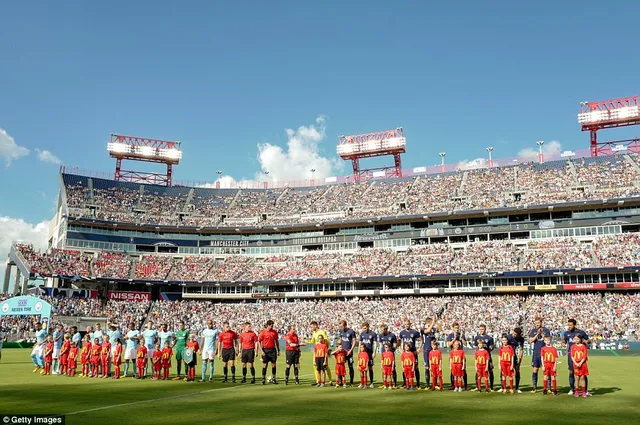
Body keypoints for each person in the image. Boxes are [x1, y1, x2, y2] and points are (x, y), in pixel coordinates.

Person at [563, 318, 590, 396]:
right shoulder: (566, 333)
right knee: (571, 372)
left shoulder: (581, 332)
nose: (569, 326)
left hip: (581, 356)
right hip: (571, 355)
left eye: (570, 325)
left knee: (583, 374)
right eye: (568, 325)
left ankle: (585, 390)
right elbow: (564, 341)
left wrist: (586, 341)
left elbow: (588, 340)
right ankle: (572, 389)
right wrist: (563, 343)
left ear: (574, 325)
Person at [306, 321, 333, 386]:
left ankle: (330, 381)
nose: (311, 328)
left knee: (325, 366)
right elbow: (312, 341)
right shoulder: (314, 333)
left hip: (322, 351)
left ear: (315, 326)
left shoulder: (322, 332)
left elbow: (327, 341)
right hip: (317, 351)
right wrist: (305, 341)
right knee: (315, 366)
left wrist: (326, 350)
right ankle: (318, 380)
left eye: (312, 327)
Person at [528, 318, 551, 393]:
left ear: (541, 323)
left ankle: (549, 387)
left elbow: (548, 340)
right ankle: (534, 387)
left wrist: (541, 334)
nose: (537, 324)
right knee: (535, 369)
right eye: (536, 323)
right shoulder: (533, 331)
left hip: (545, 353)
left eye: (538, 323)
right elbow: (530, 341)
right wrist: (537, 334)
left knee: (546, 370)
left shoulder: (546, 330)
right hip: (536, 353)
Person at [399, 320, 421, 388]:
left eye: (407, 324)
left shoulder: (414, 332)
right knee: (405, 368)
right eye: (405, 324)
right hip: (405, 354)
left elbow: (421, 340)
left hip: (413, 353)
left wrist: (419, 348)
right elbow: (399, 341)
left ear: (410, 324)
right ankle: (405, 383)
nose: (406, 325)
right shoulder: (402, 333)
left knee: (416, 368)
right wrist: (400, 348)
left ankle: (417, 383)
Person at [473, 324, 495, 391]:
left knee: (490, 371)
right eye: (480, 329)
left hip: (487, 357)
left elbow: (492, 346)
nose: (481, 330)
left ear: (485, 329)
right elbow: (476, 347)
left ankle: (491, 386)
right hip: (480, 358)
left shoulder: (489, 338)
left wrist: (489, 351)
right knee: (478, 372)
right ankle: (477, 386)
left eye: (482, 329)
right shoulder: (477, 337)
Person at [447, 322, 468, 390]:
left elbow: (465, 343)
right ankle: (453, 385)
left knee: (463, 370)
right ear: (453, 328)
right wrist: (454, 339)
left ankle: (465, 385)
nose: (457, 329)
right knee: (453, 371)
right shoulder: (450, 335)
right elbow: (448, 344)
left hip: (460, 355)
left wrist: (461, 338)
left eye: (458, 328)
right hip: (453, 355)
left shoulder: (461, 335)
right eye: (455, 328)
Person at [258, 320, 280, 385]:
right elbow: (259, 342)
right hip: (265, 350)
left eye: (273, 325)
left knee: (273, 364)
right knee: (265, 365)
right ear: (268, 325)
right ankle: (263, 379)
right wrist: (261, 351)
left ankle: (274, 378)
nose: (272, 327)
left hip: (273, 350)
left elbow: (276, 341)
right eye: (271, 325)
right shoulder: (263, 332)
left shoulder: (274, 332)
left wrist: (278, 350)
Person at [378, 324, 398, 388]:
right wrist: (383, 352)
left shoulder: (392, 335)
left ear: (386, 329)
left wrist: (391, 352)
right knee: (384, 369)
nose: (381, 331)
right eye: (380, 330)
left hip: (390, 354)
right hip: (384, 355)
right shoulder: (380, 335)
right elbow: (381, 345)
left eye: (382, 330)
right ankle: (385, 384)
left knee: (393, 369)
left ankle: (394, 383)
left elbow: (395, 345)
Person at [338, 320, 357, 386]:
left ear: (345, 325)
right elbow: (340, 340)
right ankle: (340, 381)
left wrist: (350, 350)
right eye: (340, 326)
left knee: (350, 366)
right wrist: (338, 346)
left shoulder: (351, 331)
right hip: (342, 352)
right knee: (340, 366)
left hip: (349, 352)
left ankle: (351, 381)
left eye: (342, 326)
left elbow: (354, 341)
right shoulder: (341, 331)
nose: (341, 328)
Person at [359, 322, 377, 388]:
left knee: (370, 368)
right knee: (361, 368)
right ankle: (362, 383)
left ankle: (371, 382)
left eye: (365, 328)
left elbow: (375, 343)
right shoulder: (362, 334)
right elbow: (360, 343)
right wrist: (359, 352)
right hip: (363, 354)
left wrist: (374, 352)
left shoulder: (373, 334)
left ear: (368, 327)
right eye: (363, 328)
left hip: (369, 353)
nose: (364, 329)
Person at [420, 317, 437, 390]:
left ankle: (435, 384)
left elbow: (440, 329)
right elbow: (428, 330)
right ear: (428, 322)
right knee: (427, 367)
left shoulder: (433, 329)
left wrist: (437, 321)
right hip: (427, 349)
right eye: (431, 322)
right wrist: (433, 321)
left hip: (433, 349)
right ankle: (427, 384)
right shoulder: (423, 329)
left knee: (435, 366)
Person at [507, 327, 525, 393]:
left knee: (517, 370)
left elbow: (521, 350)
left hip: (513, 356)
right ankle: (503, 387)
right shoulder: (508, 337)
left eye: (515, 334)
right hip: (506, 356)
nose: (514, 335)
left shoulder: (521, 339)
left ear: (519, 334)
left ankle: (517, 387)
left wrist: (519, 363)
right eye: (513, 333)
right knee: (504, 371)